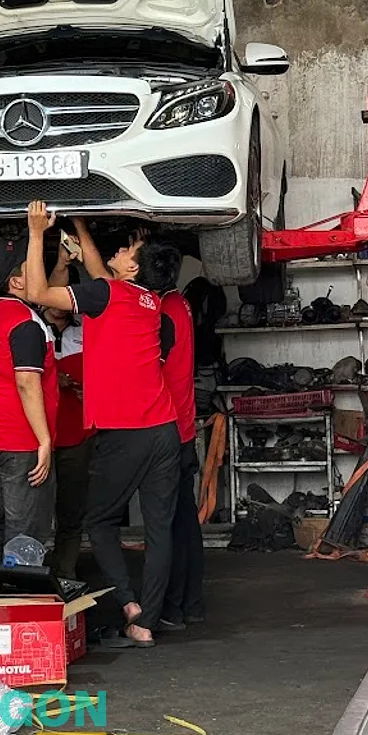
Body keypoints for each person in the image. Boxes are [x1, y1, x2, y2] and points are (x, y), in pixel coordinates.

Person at [26, 203, 180, 648]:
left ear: (132, 268)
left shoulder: (106, 295)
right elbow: (101, 275)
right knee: (159, 528)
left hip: (126, 433)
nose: (120, 249)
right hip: (164, 428)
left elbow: (37, 291)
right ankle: (148, 620)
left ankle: (129, 604)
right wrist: (79, 222)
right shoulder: (150, 302)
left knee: (99, 520)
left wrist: (36, 232)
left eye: (128, 249)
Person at [0, 235, 59, 560]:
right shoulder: (26, 323)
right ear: (17, 281)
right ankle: (20, 587)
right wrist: (44, 440)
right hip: (19, 443)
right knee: (25, 534)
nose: (39, 268)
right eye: (32, 264)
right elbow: (26, 382)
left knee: (5, 522)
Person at [141, 241, 204, 630]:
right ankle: (190, 603)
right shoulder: (180, 304)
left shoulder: (163, 312)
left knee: (168, 526)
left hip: (169, 429)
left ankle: (171, 606)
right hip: (184, 426)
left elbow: (150, 369)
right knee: (185, 521)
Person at [44, 243, 92, 580]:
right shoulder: (32, 327)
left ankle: (65, 574)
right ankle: (27, 578)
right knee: (31, 514)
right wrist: (53, 380)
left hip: (78, 438)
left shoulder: (87, 330)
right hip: (36, 439)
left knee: (72, 512)